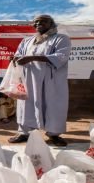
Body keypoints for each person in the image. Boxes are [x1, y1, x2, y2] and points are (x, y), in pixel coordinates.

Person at [8, 15, 71, 146]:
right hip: (28, 79)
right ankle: (24, 133)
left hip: (51, 81)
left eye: (43, 21)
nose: (38, 23)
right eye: (36, 22)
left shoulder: (61, 38)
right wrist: (15, 58)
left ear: (51, 23)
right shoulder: (27, 41)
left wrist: (31, 58)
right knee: (26, 105)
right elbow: (19, 54)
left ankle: (54, 135)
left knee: (54, 106)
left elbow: (61, 56)